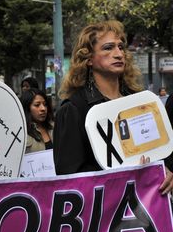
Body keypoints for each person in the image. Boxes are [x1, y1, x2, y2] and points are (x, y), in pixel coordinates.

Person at [53, 20, 173, 194]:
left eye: (121, 47)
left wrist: (168, 172)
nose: (118, 54)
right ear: (88, 59)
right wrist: (124, 178)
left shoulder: (141, 102)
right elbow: (69, 180)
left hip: (152, 207)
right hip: (106, 216)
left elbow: (162, 151)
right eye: (108, 48)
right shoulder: (73, 109)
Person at [20, 88, 54, 153]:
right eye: (37, 105)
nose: (43, 108)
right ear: (27, 108)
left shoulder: (54, 127)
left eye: (45, 104)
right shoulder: (21, 132)